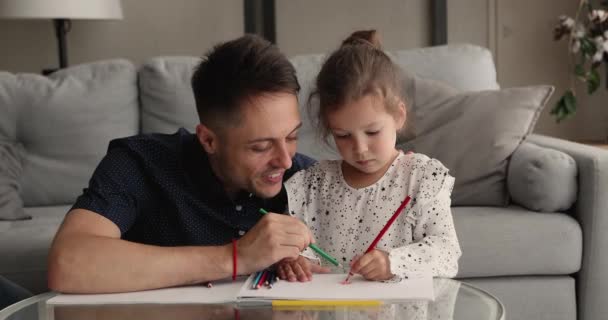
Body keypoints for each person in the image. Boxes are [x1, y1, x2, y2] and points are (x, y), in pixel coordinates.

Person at [47, 34, 325, 293]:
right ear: (208, 141)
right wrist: (235, 257)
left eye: (292, 136)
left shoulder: (305, 177)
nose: (285, 160)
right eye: (260, 147)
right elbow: (68, 263)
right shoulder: (140, 164)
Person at [276, 30, 462, 282]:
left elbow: (447, 254)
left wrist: (393, 262)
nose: (360, 148)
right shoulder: (313, 184)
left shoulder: (421, 178)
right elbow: (297, 247)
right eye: (343, 135)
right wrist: (295, 260)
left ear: (399, 115)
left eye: (372, 132)